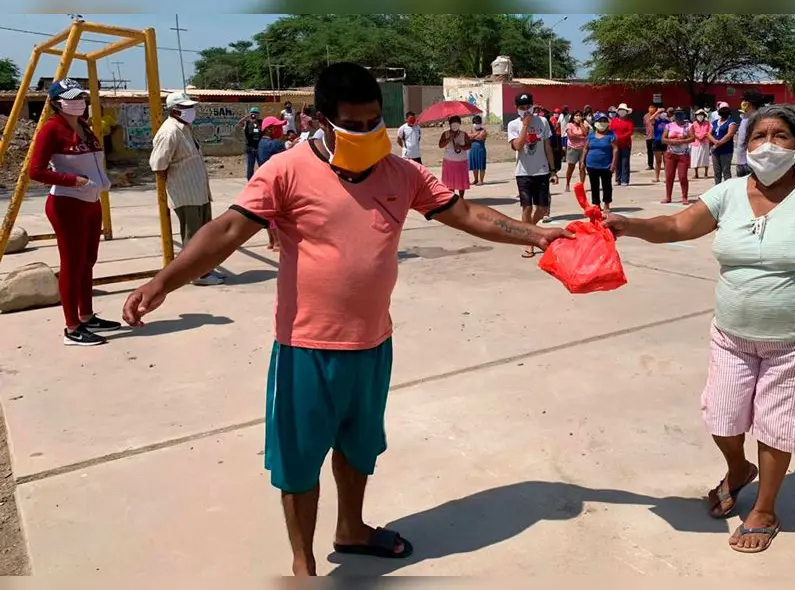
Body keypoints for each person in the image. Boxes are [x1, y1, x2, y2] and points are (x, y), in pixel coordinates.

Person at [121, 62, 570, 577]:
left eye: (373, 121)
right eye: (352, 125)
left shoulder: (402, 173)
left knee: (359, 447)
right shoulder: (285, 170)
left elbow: (465, 214)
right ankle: (303, 563)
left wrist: (535, 235)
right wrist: (164, 281)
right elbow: (225, 232)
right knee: (298, 460)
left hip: (372, 345)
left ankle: (351, 529)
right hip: (305, 349)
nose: (366, 133)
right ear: (320, 120)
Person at [604, 104, 795, 554]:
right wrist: (628, 225)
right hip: (732, 331)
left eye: (781, 136)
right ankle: (738, 469)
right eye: (758, 136)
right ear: (745, 147)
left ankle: (765, 509)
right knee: (722, 416)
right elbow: (676, 225)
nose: (768, 145)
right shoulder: (728, 193)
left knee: (776, 425)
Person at [28, 78, 118, 346]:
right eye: (72, 97)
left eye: (81, 97)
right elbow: (36, 171)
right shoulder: (51, 130)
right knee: (72, 265)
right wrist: (74, 181)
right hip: (67, 204)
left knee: (88, 261)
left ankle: (87, 315)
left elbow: (93, 163)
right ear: (57, 103)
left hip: (91, 203)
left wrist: (103, 179)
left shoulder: (85, 127)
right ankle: (71, 327)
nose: (79, 102)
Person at [149, 91, 224, 287]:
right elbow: (158, 164)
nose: (191, 111)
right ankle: (196, 274)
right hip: (186, 193)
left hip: (198, 192)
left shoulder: (185, 128)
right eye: (186, 108)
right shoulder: (170, 132)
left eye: (191, 107)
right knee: (193, 237)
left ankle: (203, 269)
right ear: (174, 111)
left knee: (204, 235)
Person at [508, 92, 558, 258]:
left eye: (528, 106)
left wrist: (553, 170)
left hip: (542, 171)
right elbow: (517, 146)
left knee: (543, 209)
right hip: (524, 172)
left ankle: (527, 230)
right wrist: (525, 125)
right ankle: (529, 242)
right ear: (516, 108)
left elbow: (547, 147)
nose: (526, 109)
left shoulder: (542, 121)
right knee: (527, 207)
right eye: (522, 107)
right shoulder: (513, 125)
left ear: (533, 105)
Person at [256, 116, 287, 252]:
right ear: (269, 129)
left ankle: (271, 241)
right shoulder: (275, 144)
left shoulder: (262, 143)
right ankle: (278, 242)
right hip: (275, 182)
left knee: (269, 215)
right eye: (278, 127)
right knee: (277, 214)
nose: (281, 129)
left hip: (265, 181)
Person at [581, 112, 617, 215]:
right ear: (596, 123)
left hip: (606, 165)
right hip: (591, 165)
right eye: (600, 121)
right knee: (594, 186)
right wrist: (582, 161)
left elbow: (615, 149)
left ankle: (606, 204)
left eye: (605, 121)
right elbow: (585, 149)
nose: (603, 123)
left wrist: (614, 164)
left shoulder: (611, 135)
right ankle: (596, 204)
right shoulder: (591, 135)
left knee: (607, 186)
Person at [662, 109, 694, 204]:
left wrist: (682, 141)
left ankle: (684, 196)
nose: (678, 117)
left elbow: (692, 138)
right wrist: (672, 141)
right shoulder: (669, 126)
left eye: (680, 115)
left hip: (683, 154)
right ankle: (668, 197)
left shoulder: (688, 126)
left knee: (682, 176)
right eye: (677, 115)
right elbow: (663, 139)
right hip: (671, 154)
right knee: (669, 176)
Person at [439, 115, 471, 198]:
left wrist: (461, 147)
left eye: (457, 122)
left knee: (461, 181)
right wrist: (449, 139)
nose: (455, 125)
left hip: (461, 161)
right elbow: (440, 145)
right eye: (453, 123)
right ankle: (451, 198)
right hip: (449, 161)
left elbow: (469, 145)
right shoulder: (445, 134)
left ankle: (461, 198)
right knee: (450, 182)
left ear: (460, 124)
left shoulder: (464, 134)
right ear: (450, 124)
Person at [735, 91, 765, 177]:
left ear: (750, 103)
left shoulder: (756, 119)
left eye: (745, 101)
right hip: (741, 161)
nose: (743, 103)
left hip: (751, 162)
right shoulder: (745, 117)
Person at [709, 102, 737, 185]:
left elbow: (729, 135)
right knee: (717, 172)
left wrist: (717, 144)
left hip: (726, 150)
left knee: (726, 171)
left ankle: (727, 189)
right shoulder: (714, 123)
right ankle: (717, 188)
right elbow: (708, 133)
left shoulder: (731, 123)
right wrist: (714, 141)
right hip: (715, 151)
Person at [610, 103, 634, 186]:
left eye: (624, 111)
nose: (622, 112)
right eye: (620, 110)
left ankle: (625, 180)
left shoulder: (629, 122)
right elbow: (611, 130)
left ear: (627, 112)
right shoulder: (614, 120)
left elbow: (630, 132)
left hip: (625, 144)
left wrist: (620, 137)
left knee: (625, 162)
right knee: (617, 162)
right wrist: (613, 138)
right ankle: (618, 179)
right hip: (615, 145)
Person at [564, 109, 588, 191]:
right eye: (576, 115)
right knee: (571, 167)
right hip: (572, 148)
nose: (578, 117)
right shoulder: (569, 125)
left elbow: (586, 133)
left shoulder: (584, 124)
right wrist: (581, 137)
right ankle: (567, 184)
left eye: (580, 115)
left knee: (582, 167)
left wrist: (581, 123)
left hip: (582, 149)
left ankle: (582, 185)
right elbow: (571, 136)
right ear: (573, 117)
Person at [237, 106, 263, 181]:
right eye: (253, 114)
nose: (254, 115)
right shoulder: (247, 123)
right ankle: (250, 181)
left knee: (262, 165)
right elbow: (239, 123)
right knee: (250, 167)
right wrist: (247, 117)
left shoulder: (261, 122)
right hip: (250, 148)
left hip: (259, 148)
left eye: (256, 113)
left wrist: (256, 122)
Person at [690, 109, 712, 179]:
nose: (700, 116)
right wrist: (697, 137)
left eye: (702, 115)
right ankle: (696, 174)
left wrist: (705, 135)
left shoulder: (707, 123)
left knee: (705, 158)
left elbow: (710, 131)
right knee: (695, 158)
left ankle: (706, 173)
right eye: (699, 115)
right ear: (696, 116)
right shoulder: (693, 124)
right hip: (696, 143)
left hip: (705, 142)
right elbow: (691, 132)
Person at [468, 115, 488, 186]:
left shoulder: (483, 130)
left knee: (481, 165)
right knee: (474, 165)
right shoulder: (472, 129)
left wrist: (472, 136)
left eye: (478, 123)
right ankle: (476, 179)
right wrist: (475, 134)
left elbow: (481, 137)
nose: (477, 124)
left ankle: (481, 180)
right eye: (476, 123)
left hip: (480, 150)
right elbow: (468, 137)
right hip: (472, 150)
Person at [651, 108, 669, 183]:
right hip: (657, 142)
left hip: (665, 143)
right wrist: (657, 112)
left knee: (666, 161)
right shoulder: (657, 121)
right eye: (661, 112)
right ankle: (656, 177)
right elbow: (651, 119)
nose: (663, 113)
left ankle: (667, 177)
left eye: (663, 112)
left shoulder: (668, 122)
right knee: (658, 161)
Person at [644, 103, 658, 170]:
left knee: (657, 152)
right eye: (650, 108)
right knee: (649, 151)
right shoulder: (645, 116)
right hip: (648, 136)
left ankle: (658, 164)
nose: (651, 109)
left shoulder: (657, 116)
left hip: (655, 136)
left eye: (653, 108)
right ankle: (650, 165)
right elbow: (646, 124)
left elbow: (653, 122)